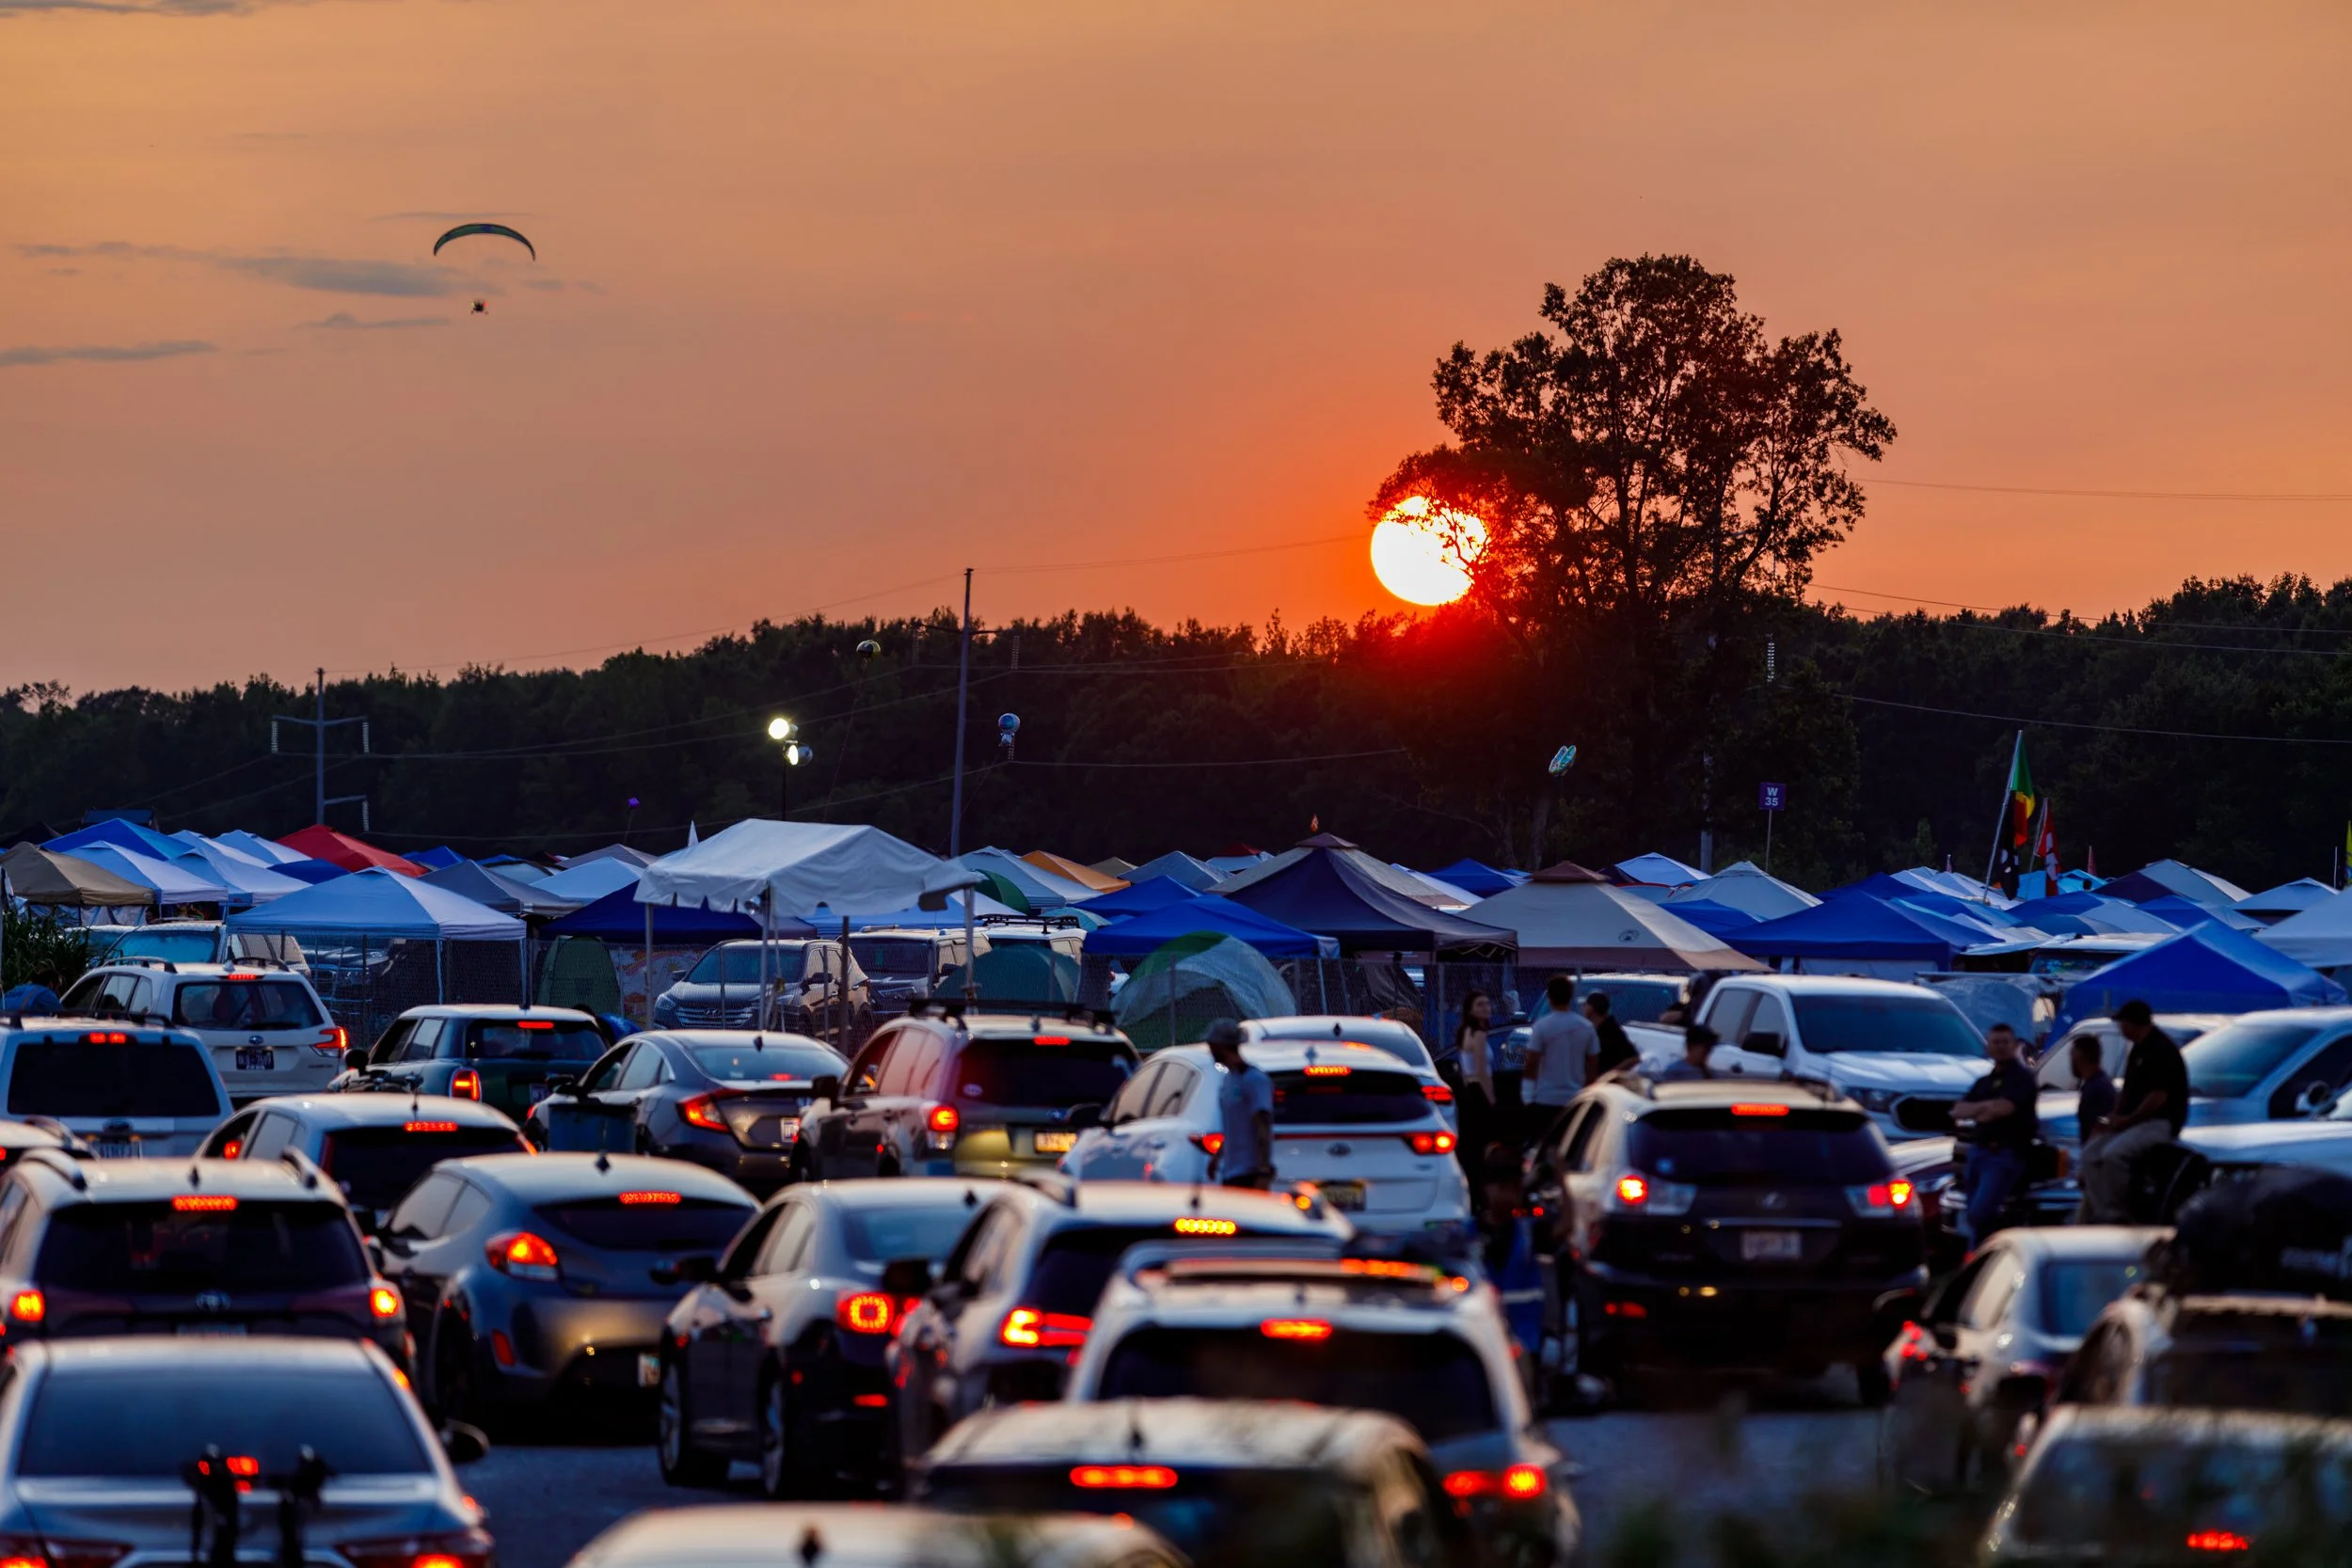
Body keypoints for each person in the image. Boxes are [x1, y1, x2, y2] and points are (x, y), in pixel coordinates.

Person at [2080, 1001, 2188, 1222]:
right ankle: (2103, 1211)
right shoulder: (2138, 1049)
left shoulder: (2162, 1050)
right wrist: (2113, 1117)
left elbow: (2157, 1097)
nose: (2120, 1028)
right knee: (2090, 1154)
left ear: (2134, 1023)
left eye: (2122, 1023)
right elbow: (2128, 1090)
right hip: (2133, 1123)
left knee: (2114, 1155)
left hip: (2158, 1123)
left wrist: (2127, 1120)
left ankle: (2120, 1211)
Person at [1951, 1022, 2039, 1248]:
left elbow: (2004, 1109)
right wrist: (1987, 1108)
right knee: (1973, 1215)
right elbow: (1958, 1110)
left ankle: (1984, 1257)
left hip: (2004, 1156)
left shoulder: (2022, 1079)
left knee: (1980, 1213)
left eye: (2005, 1043)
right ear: (1988, 1046)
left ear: (2013, 1046)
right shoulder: (1985, 1081)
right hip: (1977, 1154)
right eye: (1995, 1042)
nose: (2000, 1047)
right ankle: (1976, 1262)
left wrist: (1980, 1108)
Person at [1522, 975, 1598, 1132]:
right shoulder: (1586, 1027)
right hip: (1575, 1099)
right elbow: (1593, 1065)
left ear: (1549, 997)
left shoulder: (1542, 1026)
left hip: (1546, 1098)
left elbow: (1531, 1063)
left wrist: (1527, 1095)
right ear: (1571, 997)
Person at [1205, 1018, 1275, 1190]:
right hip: (1231, 1172)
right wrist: (1217, 1156)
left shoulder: (1254, 1079)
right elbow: (1233, 1126)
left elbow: (1262, 1123)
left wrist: (1264, 1170)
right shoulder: (1229, 1080)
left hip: (1249, 1173)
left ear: (1221, 1046)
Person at [1454, 990, 1497, 1180]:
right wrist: (1492, 1099)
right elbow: (1481, 1071)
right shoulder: (1478, 1034)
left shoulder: (1466, 1032)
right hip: (1478, 1092)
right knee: (1482, 1144)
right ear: (1470, 1010)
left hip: (1469, 1091)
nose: (1486, 1007)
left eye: (1487, 1003)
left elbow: (1466, 1070)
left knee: (1471, 1144)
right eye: (1480, 1004)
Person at [1585, 990, 1639, 1079]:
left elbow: (1633, 1058)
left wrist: (1609, 1076)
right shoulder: (1593, 1030)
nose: (1583, 1008)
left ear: (1591, 1008)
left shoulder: (1612, 1030)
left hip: (1604, 1086)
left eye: (1585, 1004)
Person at [2073, 1035, 2119, 1133]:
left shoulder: (2097, 1090)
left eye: (2072, 1056)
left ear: (2079, 1057)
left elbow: (2102, 1124)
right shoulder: (2098, 1084)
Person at [1653, 1022, 1718, 1083]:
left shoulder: (1708, 1073)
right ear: (1691, 1046)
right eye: (1706, 1047)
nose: (1708, 1051)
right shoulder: (1675, 1071)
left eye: (1710, 1048)